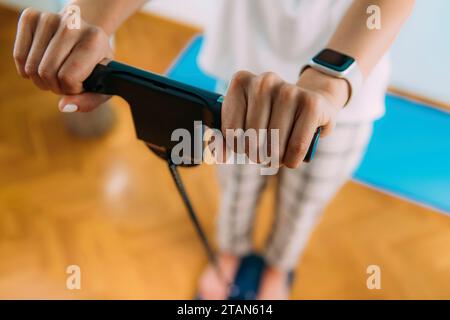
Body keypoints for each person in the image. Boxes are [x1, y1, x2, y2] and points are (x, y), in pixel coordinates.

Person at [13, 0, 415, 299]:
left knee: (304, 204)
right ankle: (230, 255)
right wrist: (88, 20)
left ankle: (278, 267)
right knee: (236, 190)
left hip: (346, 102)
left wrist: (328, 82)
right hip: (239, 89)